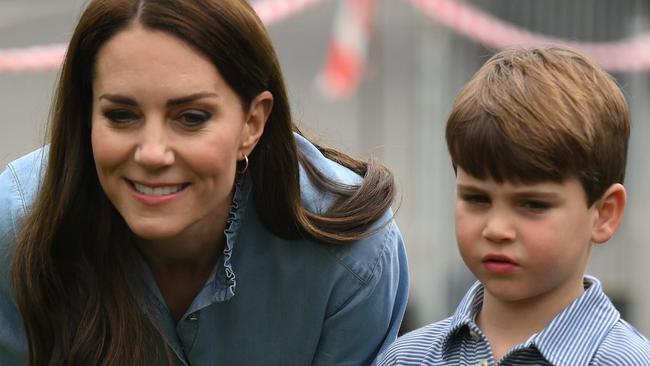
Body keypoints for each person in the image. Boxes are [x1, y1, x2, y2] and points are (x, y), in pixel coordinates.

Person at [0, 0, 409, 365]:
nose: (152, 153)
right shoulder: (18, 227)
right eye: (121, 115)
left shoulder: (352, 257)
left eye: (191, 118)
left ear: (253, 123)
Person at [377, 45, 650, 365]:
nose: (496, 229)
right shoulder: (408, 358)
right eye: (477, 198)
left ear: (604, 214)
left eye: (532, 204)